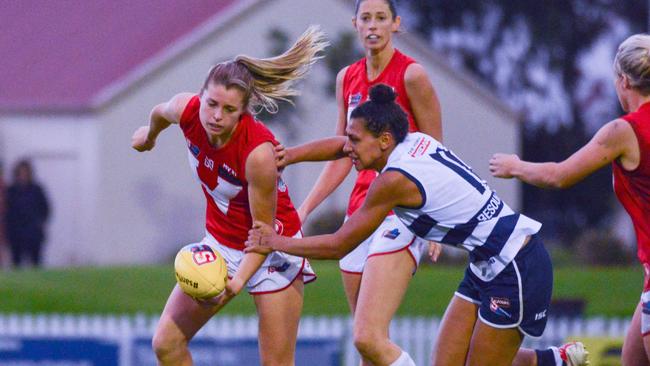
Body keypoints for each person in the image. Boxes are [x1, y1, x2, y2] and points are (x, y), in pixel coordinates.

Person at [248, 84, 588, 366]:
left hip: (517, 268)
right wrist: (289, 154)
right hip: (487, 265)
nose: (347, 147)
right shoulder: (408, 140)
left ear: (383, 141)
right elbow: (340, 146)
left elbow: (339, 244)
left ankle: (547, 362)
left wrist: (275, 242)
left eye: (354, 139)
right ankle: (549, 361)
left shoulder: (393, 181)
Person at [131, 26, 327, 366]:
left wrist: (236, 282)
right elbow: (161, 112)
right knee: (166, 344)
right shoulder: (187, 110)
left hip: (271, 249)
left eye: (229, 110)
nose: (216, 116)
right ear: (200, 95)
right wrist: (149, 136)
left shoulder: (258, 155)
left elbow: (263, 234)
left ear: (244, 113)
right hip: (222, 244)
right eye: (211, 104)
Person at [276, 0, 442, 364]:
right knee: (367, 344)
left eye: (381, 18)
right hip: (361, 212)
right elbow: (342, 151)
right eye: (366, 18)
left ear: (395, 24)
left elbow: (437, 153)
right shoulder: (347, 78)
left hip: (402, 210)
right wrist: (304, 209)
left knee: (369, 334)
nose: (373, 26)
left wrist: (434, 224)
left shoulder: (412, 75)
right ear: (355, 23)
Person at [490, 33, 650, 366]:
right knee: (632, 360)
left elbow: (559, 175)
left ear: (623, 81)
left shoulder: (624, 131)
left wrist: (516, 166)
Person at [5, 159, 50, 268]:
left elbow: (45, 208)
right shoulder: (11, 190)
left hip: (33, 231)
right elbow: (7, 210)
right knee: (16, 262)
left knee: (36, 262)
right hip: (16, 232)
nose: (23, 174)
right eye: (21, 172)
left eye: (25, 172)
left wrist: (40, 222)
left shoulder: (37, 189)